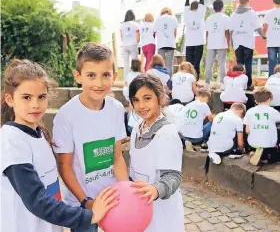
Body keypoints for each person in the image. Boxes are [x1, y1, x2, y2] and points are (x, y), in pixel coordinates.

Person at [1, 59, 117, 232]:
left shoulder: (39, 132)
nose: (35, 104)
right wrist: (89, 216)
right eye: (26, 97)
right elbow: (37, 201)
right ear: (10, 99)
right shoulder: (12, 142)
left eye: (41, 97)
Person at [53, 43, 129, 232]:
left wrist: (126, 192)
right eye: (91, 75)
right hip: (81, 201)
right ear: (78, 76)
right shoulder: (66, 115)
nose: (99, 83)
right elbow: (65, 166)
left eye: (105, 75)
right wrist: (86, 202)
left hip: (112, 197)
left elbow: (117, 158)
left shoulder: (117, 109)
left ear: (114, 76)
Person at [128, 74, 184, 232]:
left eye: (147, 98)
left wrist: (155, 189)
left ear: (160, 97)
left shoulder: (167, 133)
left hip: (163, 211)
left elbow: (173, 177)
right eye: (136, 100)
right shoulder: (136, 130)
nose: (141, 105)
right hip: (141, 207)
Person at [243, 87, 280, 166]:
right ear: (269, 99)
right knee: (276, 157)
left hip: (252, 143)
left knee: (253, 137)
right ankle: (265, 157)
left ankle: (255, 151)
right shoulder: (272, 111)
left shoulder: (250, 111)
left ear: (255, 100)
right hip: (269, 144)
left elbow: (247, 130)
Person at [229, 0, 266, 90]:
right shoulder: (252, 13)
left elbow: (231, 30)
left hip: (237, 42)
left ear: (239, 1)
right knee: (248, 63)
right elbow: (258, 27)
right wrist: (264, 36)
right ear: (248, 1)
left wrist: (232, 44)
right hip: (248, 42)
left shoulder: (233, 15)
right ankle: (248, 84)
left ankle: (239, 84)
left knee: (239, 64)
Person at [206, 103, 246, 173]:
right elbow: (240, 141)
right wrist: (241, 149)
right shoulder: (237, 119)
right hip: (226, 147)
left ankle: (214, 153)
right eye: (242, 116)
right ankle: (234, 151)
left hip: (211, 144)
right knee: (238, 133)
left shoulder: (219, 115)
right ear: (241, 111)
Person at [205, 0, 231, 89]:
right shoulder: (225, 18)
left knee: (209, 64)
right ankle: (223, 83)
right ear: (222, 7)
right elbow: (227, 32)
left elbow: (207, 33)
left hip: (211, 44)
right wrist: (228, 44)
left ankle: (207, 82)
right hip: (222, 43)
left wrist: (207, 43)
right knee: (222, 63)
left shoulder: (209, 18)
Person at [184, 0, 206, 80]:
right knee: (196, 63)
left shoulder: (186, 14)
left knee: (189, 64)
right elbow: (202, 0)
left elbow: (186, 3)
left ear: (190, 7)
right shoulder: (200, 13)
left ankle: (188, 79)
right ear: (199, 7)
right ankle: (195, 80)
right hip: (199, 42)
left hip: (189, 42)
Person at [154, 7, 178, 76]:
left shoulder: (158, 19)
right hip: (171, 44)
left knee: (160, 64)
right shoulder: (173, 18)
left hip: (161, 44)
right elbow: (175, 33)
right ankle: (169, 82)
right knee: (169, 64)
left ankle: (161, 80)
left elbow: (155, 31)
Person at [120, 10, 140, 82]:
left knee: (126, 63)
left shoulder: (122, 25)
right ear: (133, 17)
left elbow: (121, 38)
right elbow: (138, 38)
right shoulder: (135, 25)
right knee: (134, 62)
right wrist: (136, 42)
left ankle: (126, 80)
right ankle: (134, 79)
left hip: (125, 45)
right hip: (133, 45)